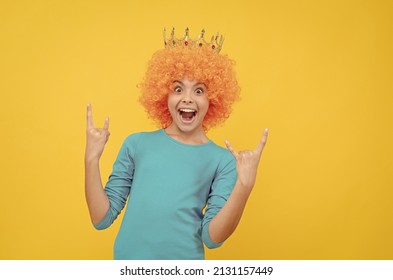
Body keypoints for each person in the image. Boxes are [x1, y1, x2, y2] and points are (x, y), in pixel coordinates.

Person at [84, 28, 268, 260]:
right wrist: (91, 160)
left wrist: (244, 186)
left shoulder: (223, 161)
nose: (188, 98)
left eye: (199, 90)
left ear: (213, 99)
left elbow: (212, 239)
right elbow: (101, 219)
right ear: (163, 96)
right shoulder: (137, 144)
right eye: (178, 89)